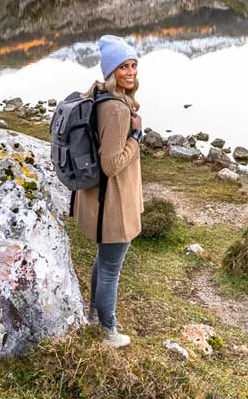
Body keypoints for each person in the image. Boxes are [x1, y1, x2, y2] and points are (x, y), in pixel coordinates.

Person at [72, 34, 144, 349]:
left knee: (103, 261)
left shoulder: (98, 95)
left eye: (133, 65)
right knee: (111, 268)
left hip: (100, 201)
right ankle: (108, 331)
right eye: (123, 67)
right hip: (112, 204)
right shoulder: (116, 110)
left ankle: (93, 314)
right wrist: (136, 140)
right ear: (111, 71)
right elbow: (112, 163)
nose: (130, 72)